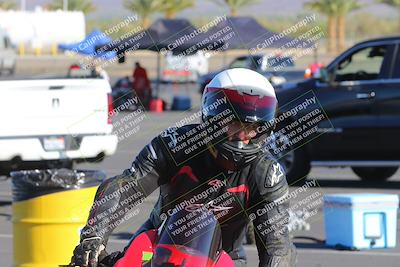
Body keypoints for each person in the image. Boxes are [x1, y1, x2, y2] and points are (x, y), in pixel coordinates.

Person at [70, 68, 296, 267]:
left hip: (226, 258)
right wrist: (94, 237)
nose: (243, 136)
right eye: (234, 122)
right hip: (155, 247)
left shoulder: (267, 173)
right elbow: (127, 185)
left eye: (252, 127)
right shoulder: (175, 145)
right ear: (213, 119)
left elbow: (277, 246)